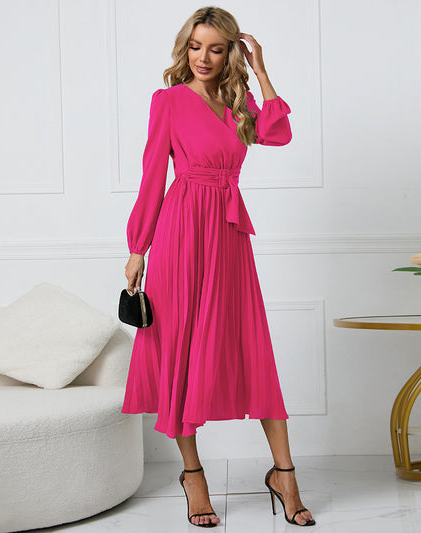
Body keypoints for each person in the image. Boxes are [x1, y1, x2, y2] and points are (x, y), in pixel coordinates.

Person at [122, 6, 315, 528]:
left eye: (216, 48)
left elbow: (278, 133)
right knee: (179, 348)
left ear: (230, 53)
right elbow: (151, 176)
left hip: (228, 235)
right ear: (184, 48)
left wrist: (261, 70)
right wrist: (138, 247)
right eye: (195, 46)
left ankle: (285, 474)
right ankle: (194, 477)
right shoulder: (167, 100)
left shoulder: (238, 101)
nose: (203, 57)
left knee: (251, 345)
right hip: (181, 231)